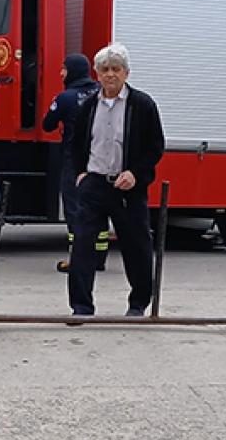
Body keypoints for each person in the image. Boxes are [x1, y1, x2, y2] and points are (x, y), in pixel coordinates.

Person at [68, 43, 165, 319]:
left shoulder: (142, 105)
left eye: (116, 69)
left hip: (127, 188)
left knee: (136, 246)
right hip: (94, 185)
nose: (110, 74)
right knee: (82, 244)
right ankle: (81, 307)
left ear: (126, 73)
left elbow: (155, 147)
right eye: (105, 69)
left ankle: (138, 304)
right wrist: (80, 173)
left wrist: (136, 173)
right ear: (97, 73)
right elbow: (75, 143)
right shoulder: (89, 105)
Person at [43, 53, 109, 273]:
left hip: (75, 161)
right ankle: (99, 258)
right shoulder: (101, 93)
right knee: (98, 208)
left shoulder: (67, 97)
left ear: (72, 71)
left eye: (64, 69)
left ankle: (78, 258)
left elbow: (47, 125)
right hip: (100, 160)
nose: (61, 73)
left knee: (75, 209)